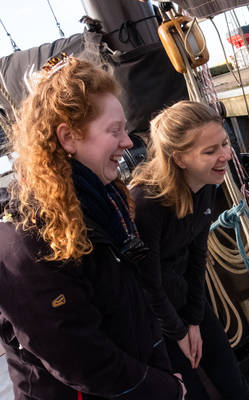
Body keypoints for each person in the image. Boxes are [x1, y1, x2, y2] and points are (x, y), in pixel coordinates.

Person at [0, 56, 184, 399]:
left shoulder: (106, 205)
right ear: (68, 138)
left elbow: (136, 306)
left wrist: (163, 374)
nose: (128, 142)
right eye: (115, 131)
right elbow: (83, 362)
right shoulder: (26, 244)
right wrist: (165, 389)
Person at [130, 100, 249, 400]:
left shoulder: (207, 184)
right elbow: (148, 283)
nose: (224, 155)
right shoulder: (147, 204)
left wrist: (195, 320)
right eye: (210, 152)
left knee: (231, 379)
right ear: (180, 159)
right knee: (191, 392)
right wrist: (179, 332)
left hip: (185, 302)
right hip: (154, 319)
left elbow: (198, 257)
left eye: (224, 144)